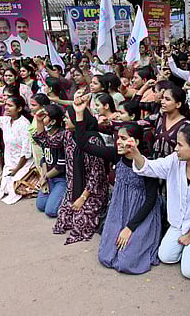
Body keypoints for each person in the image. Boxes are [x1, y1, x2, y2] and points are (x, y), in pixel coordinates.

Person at [72, 100, 161, 274]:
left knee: (127, 262)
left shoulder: (147, 164)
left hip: (141, 213)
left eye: (123, 138)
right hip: (119, 208)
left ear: (135, 141)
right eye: (117, 138)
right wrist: (80, 113)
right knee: (106, 257)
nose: (118, 142)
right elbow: (83, 144)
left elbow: (151, 200)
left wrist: (129, 228)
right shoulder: (116, 154)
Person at [132, 125, 190, 279]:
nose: (175, 149)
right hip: (180, 222)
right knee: (166, 256)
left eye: (180, 145)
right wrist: (134, 153)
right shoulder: (175, 160)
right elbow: (151, 168)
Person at [35, 104, 108, 245]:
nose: (64, 120)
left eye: (67, 118)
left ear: (76, 119)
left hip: (92, 191)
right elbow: (45, 142)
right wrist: (39, 121)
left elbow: (97, 173)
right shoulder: (67, 135)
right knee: (63, 219)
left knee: (80, 222)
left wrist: (83, 197)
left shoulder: (93, 140)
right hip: (72, 187)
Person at [0, 96, 33, 204]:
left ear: (19, 108)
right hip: (9, 162)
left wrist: (16, 169)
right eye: (6, 105)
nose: (6, 108)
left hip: (23, 163)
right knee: (6, 189)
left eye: (10, 105)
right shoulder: (5, 120)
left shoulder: (24, 124)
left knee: (14, 190)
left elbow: (26, 153)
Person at [33, 104, 66, 218]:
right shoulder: (47, 136)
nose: (42, 118)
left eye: (45, 116)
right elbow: (44, 159)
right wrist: (44, 177)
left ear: (52, 122)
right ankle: (56, 195)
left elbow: (60, 166)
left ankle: (67, 196)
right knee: (41, 205)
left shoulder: (61, 137)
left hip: (62, 178)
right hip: (49, 175)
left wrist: (45, 177)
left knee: (50, 211)